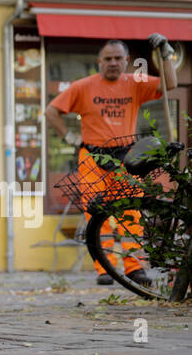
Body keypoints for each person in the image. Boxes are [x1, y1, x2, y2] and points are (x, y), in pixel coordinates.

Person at [45, 35, 178, 284]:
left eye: (118, 58)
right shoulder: (82, 86)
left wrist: (167, 53)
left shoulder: (135, 83)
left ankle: (133, 267)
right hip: (92, 156)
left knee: (132, 213)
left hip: (126, 156)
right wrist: (71, 137)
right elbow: (51, 111)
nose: (113, 63)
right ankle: (104, 269)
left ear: (126, 61)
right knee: (96, 211)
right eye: (108, 59)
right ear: (99, 61)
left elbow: (170, 84)